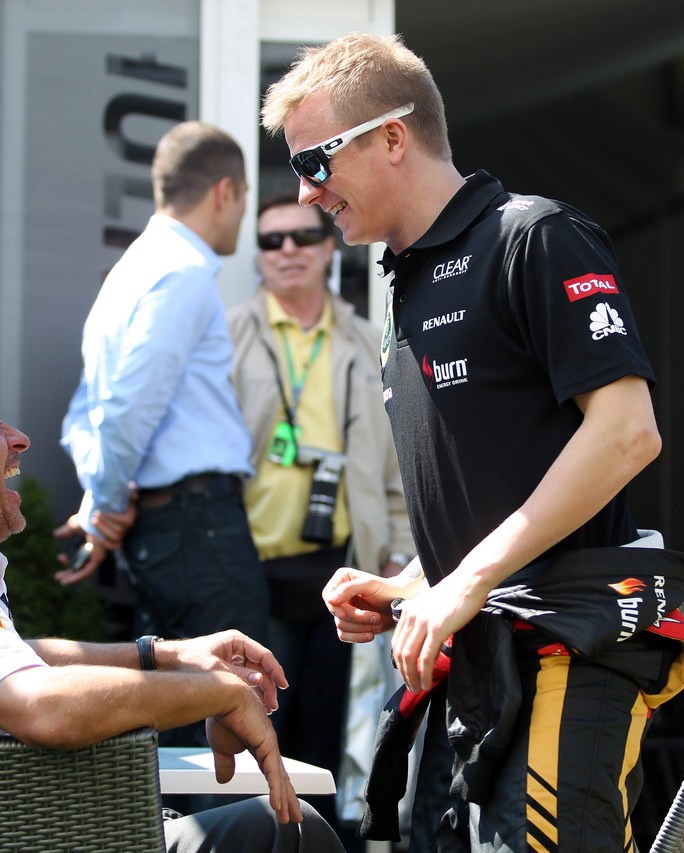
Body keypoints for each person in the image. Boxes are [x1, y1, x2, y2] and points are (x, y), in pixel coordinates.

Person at [261, 33, 684, 852]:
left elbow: (626, 434)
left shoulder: (533, 236)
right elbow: (501, 488)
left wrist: (460, 580)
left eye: (317, 161)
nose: (304, 192)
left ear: (392, 136)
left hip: (568, 645)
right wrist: (410, 585)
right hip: (475, 662)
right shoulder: (404, 278)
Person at [0, 337, 345, 853]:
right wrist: (217, 693)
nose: (18, 439)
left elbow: (6, 665)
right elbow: (40, 706)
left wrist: (166, 655)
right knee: (291, 834)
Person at [228, 190, 415, 846]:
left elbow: (395, 465)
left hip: (340, 570)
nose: (287, 252)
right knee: (259, 735)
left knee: (326, 742)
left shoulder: (369, 339)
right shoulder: (228, 336)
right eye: (271, 240)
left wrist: (394, 551)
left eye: (302, 236)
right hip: (256, 569)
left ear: (328, 246)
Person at [56, 121, 268, 655]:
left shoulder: (127, 273)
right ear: (226, 192)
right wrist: (106, 502)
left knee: (179, 705)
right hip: (198, 530)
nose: (242, 215)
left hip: (165, 532)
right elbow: (128, 407)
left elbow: (84, 414)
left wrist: (103, 499)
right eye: (244, 199)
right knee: (230, 705)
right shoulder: (184, 272)